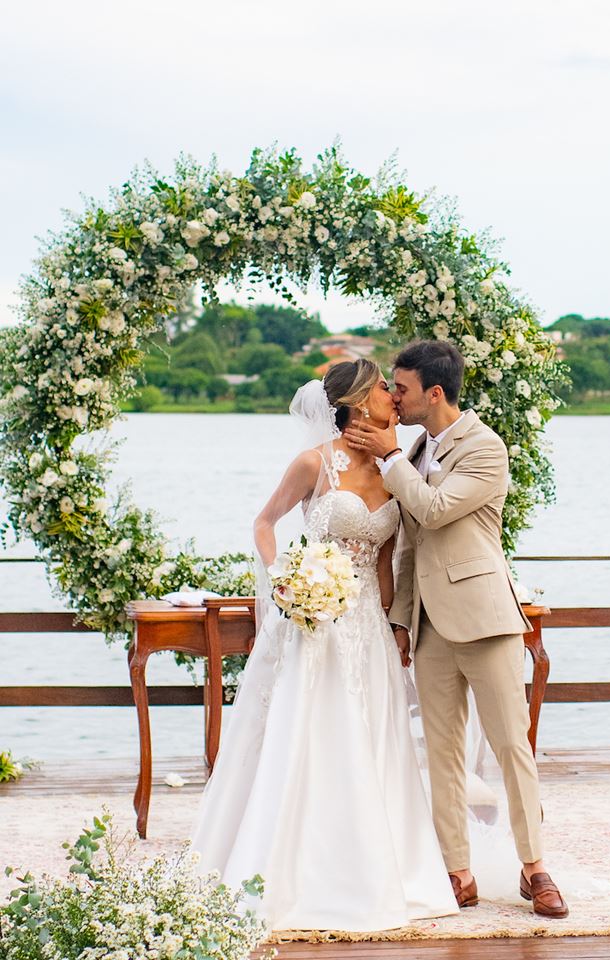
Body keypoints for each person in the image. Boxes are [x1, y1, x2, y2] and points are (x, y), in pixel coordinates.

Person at [191, 358, 459, 932]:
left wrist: (397, 626)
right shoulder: (315, 462)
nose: (394, 395)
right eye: (385, 388)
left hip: (368, 624)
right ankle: (295, 869)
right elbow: (264, 523)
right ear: (361, 401)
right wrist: (286, 576)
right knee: (312, 731)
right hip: (315, 619)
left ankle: (383, 864)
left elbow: (386, 557)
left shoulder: (394, 468)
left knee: (373, 733)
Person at [344, 340, 569, 919]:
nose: (392, 397)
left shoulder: (486, 448)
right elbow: (411, 547)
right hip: (428, 625)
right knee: (440, 753)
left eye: (401, 388)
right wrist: (400, 620)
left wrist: (392, 460)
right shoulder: (415, 448)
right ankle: (457, 871)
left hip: (486, 618)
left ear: (434, 393)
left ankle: (535, 868)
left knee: (510, 746)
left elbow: (438, 508)